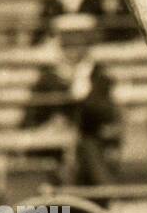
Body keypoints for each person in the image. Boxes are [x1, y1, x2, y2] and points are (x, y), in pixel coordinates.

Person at [23, 13, 118, 185]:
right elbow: (29, 118)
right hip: (53, 149)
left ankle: (105, 195)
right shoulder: (48, 77)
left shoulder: (99, 76)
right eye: (68, 44)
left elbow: (108, 114)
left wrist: (84, 96)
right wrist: (51, 124)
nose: (73, 49)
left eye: (79, 43)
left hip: (91, 144)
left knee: (88, 150)